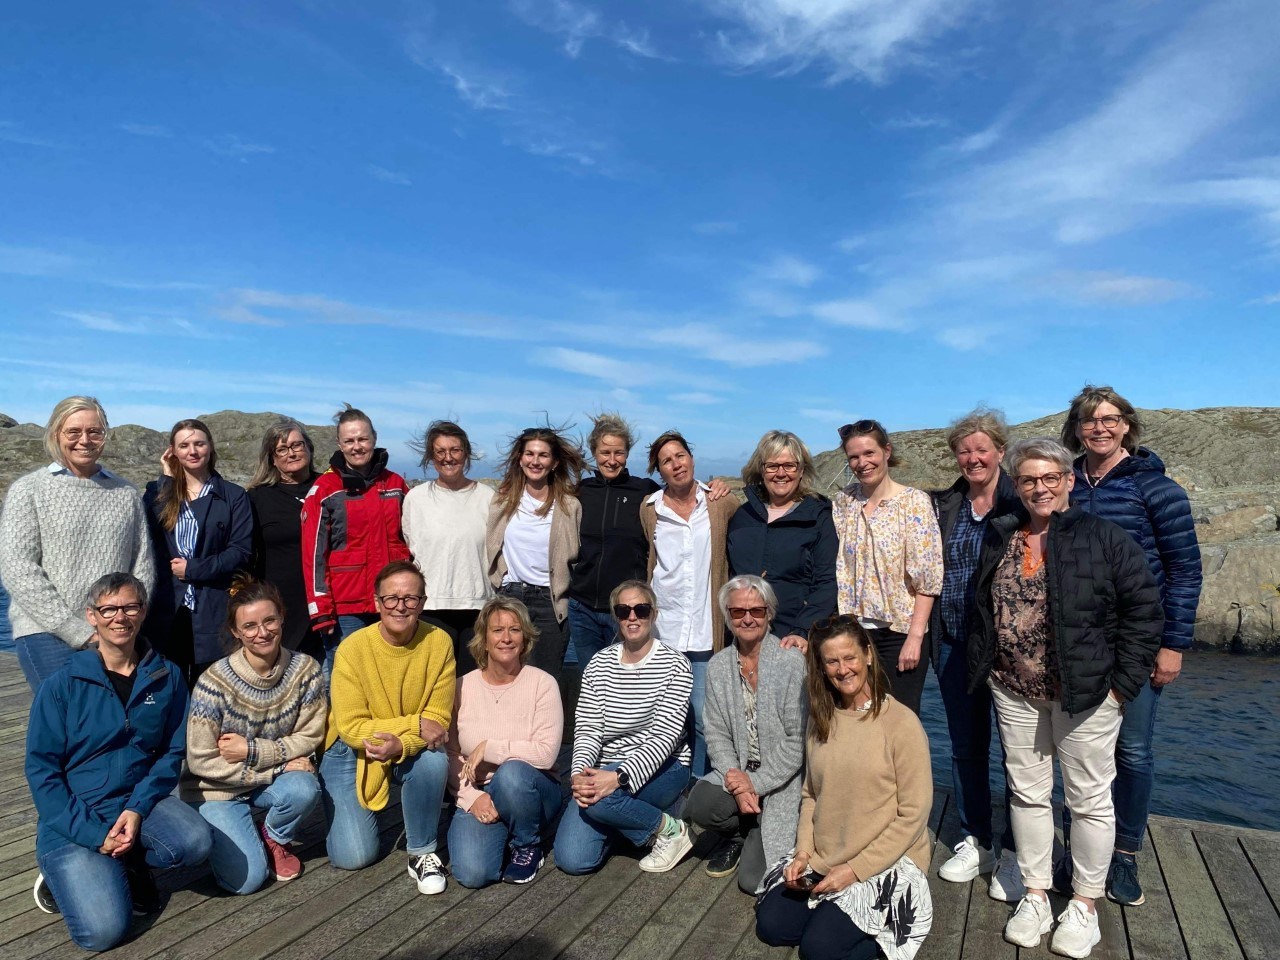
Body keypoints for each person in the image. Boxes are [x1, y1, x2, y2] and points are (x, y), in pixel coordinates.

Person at [967, 438, 1162, 958]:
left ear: (1068, 481)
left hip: (1087, 692)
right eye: (1029, 479)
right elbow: (982, 603)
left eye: (1050, 477)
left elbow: (1144, 611)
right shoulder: (1002, 535)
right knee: (1027, 793)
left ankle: (1084, 903)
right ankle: (1035, 893)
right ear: (1017, 485)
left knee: (1088, 800)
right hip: (1014, 689)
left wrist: (1121, 687)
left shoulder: (1104, 537)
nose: (1040, 488)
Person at [1060, 385, 1202, 907]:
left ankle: (1124, 853)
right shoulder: (1065, 482)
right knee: (1076, 750)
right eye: (1089, 420)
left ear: (1126, 425)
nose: (1099, 428)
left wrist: (1173, 645)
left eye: (1109, 419)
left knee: (1133, 750)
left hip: (1139, 640)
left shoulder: (1158, 489)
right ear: (1076, 428)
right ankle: (1077, 849)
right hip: (1076, 641)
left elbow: (1185, 570)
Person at [25, 573, 213, 952]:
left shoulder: (166, 676)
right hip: (77, 813)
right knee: (103, 932)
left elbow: (171, 752)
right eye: (108, 609)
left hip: (137, 801)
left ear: (142, 612)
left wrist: (137, 808)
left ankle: (128, 863)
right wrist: (94, 835)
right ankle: (63, 875)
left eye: (129, 607)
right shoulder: (61, 685)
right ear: (91, 616)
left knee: (195, 842)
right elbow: (43, 772)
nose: (120, 617)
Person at [755, 616, 933, 960]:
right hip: (827, 854)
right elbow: (811, 794)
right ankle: (833, 918)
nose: (843, 669)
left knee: (818, 950)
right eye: (832, 661)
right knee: (772, 925)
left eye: (850, 657)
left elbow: (914, 815)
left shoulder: (902, 724)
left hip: (885, 861)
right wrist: (803, 852)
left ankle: (881, 935)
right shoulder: (821, 718)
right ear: (822, 668)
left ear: (868, 655)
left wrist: (854, 870)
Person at [930, 408, 1024, 900]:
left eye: (981, 449)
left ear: (1000, 452)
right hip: (952, 643)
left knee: (1018, 752)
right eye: (964, 451)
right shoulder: (946, 505)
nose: (973, 458)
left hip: (1008, 649)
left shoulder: (1020, 501)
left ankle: (1017, 849)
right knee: (966, 746)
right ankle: (977, 838)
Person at [183, 575, 326, 894]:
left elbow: (310, 734)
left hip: (265, 779)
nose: (262, 632)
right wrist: (275, 767)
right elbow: (201, 761)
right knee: (246, 882)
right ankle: (232, 837)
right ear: (235, 631)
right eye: (249, 626)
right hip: (216, 789)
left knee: (304, 787)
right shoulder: (213, 683)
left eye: (269, 621)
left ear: (282, 618)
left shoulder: (306, 670)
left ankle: (272, 836)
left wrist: (252, 750)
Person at [0, 396, 155, 690]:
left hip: (114, 631)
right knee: (66, 713)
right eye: (73, 431)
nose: (84, 440)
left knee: (110, 714)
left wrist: (126, 619)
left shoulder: (125, 493)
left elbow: (142, 563)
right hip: (46, 633)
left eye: (94, 431)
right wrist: (77, 630)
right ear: (56, 434)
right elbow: (17, 567)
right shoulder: (29, 490)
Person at [320, 561, 455, 895]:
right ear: (377, 602)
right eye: (391, 598)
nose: (400, 606)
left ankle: (422, 851)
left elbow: (437, 721)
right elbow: (351, 727)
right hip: (350, 748)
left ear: (422, 603)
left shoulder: (439, 642)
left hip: (409, 743)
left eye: (410, 598)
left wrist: (403, 744)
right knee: (354, 856)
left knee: (434, 759)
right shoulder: (353, 648)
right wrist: (413, 724)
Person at [554, 580, 695, 876]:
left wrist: (618, 777)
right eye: (623, 611)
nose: (632, 617)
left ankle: (671, 830)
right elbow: (588, 729)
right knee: (573, 859)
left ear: (653, 614)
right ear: (615, 616)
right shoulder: (599, 664)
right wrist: (579, 773)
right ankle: (636, 823)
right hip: (604, 767)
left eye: (641, 610)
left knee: (601, 800)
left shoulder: (676, 664)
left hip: (664, 766)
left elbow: (664, 739)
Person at [569, 413, 732, 666]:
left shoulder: (644, 492)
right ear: (594, 453)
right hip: (583, 609)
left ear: (627, 454)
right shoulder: (581, 491)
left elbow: (681, 490)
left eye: (619, 453)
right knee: (590, 679)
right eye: (605, 453)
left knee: (627, 680)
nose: (612, 460)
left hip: (627, 611)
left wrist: (717, 485)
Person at [688, 575, 806, 893]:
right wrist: (738, 782)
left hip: (782, 779)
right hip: (742, 773)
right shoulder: (718, 667)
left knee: (754, 882)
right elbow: (716, 733)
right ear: (728, 616)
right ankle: (743, 831)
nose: (748, 618)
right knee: (700, 804)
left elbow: (797, 740)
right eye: (738, 611)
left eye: (757, 610)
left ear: (769, 613)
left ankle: (758, 829)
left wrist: (756, 783)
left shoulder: (791, 662)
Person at [446, 596, 564, 888]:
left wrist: (490, 747)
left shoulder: (543, 683)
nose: (507, 638)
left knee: (511, 774)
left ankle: (527, 844)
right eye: (498, 630)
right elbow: (450, 752)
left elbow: (546, 755)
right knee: (473, 874)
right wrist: (472, 798)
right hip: (481, 790)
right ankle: (505, 834)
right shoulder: (461, 686)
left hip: (532, 790)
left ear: (525, 639)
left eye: (515, 630)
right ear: (484, 640)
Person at [640, 430, 739, 777]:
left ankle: (698, 786)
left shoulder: (721, 502)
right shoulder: (649, 509)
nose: (676, 464)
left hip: (704, 632)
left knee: (702, 718)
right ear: (659, 470)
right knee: (662, 720)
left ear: (692, 458)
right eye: (667, 461)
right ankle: (662, 784)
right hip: (662, 631)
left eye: (680, 455)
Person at [830, 420, 942, 715]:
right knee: (857, 720)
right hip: (854, 635)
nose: (862, 463)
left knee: (898, 721)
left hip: (899, 635)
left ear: (886, 452)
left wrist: (915, 639)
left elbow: (927, 580)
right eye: (854, 457)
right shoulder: (844, 502)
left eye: (869, 453)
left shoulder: (914, 503)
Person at [301, 405, 411, 678]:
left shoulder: (396, 484)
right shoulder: (325, 489)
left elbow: (414, 540)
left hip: (393, 601)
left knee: (392, 676)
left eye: (363, 439)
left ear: (374, 438)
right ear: (339, 444)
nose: (357, 446)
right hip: (346, 608)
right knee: (347, 678)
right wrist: (320, 609)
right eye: (349, 441)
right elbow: (313, 555)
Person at [143, 418, 253, 687]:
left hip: (213, 608)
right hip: (169, 609)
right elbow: (147, 537)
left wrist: (193, 569)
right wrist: (167, 480)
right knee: (170, 690)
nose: (192, 451)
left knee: (212, 691)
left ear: (210, 447)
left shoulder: (233, 496)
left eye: (199, 444)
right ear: (173, 452)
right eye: (184, 445)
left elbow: (240, 551)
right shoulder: (158, 492)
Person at [485, 426, 585, 679]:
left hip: (550, 602)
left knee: (545, 679)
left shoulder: (570, 505)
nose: (535, 461)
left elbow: (577, 553)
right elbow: (493, 544)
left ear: (554, 462)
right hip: (511, 596)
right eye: (529, 454)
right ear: (520, 459)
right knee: (506, 675)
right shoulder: (503, 501)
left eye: (543, 455)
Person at [727, 430, 837, 648]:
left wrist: (803, 630)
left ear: (801, 470)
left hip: (794, 640)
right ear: (761, 469)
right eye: (772, 466)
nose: (780, 473)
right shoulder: (743, 516)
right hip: (743, 639)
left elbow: (827, 582)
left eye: (789, 465)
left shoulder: (818, 517)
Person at [403, 420, 495, 675]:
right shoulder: (416, 498)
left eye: (455, 450)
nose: (448, 457)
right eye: (440, 451)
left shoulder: (488, 497)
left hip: (477, 605)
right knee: (434, 683)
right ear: (431, 457)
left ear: (466, 453)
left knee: (472, 684)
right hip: (431, 605)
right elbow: (411, 545)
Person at [246, 418, 324, 662]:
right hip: (281, 609)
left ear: (309, 448)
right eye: (282, 449)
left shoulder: (329, 488)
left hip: (329, 607)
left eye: (297, 445)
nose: (291, 453)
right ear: (272, 458)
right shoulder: (257, 498)